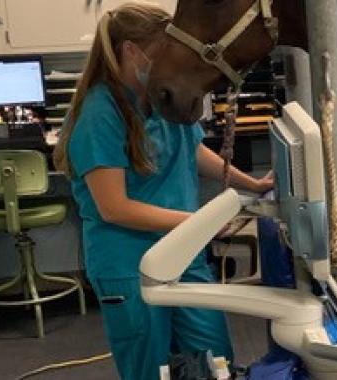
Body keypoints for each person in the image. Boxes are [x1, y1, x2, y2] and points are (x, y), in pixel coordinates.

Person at [52, 2, 273, 379]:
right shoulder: (98, 114)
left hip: (183, 253)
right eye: (159, 53)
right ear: (130, 51)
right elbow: (114, 208)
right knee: (150, 369)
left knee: (214, 359)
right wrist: (196, 224)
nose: (168, 63)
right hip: (128, 262)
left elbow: (193, 149)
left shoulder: (161, 97)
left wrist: (252, 184)